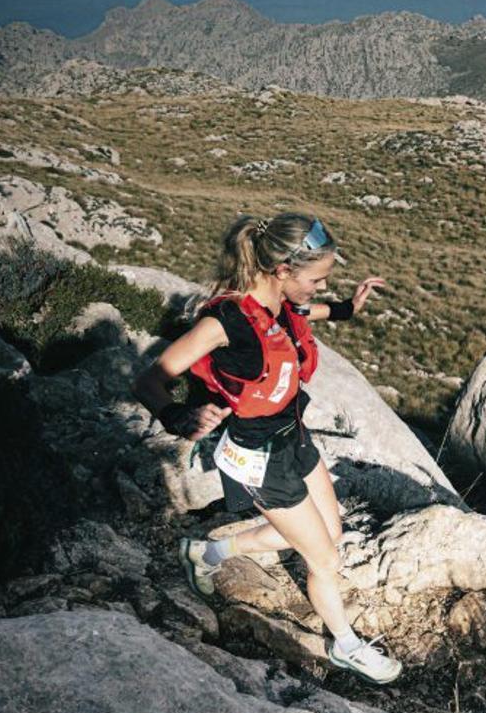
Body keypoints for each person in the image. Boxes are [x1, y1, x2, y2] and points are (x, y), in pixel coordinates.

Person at [133, 212, 402, 685]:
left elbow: (309, 313)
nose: (319, 288)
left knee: (329, 534)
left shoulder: (281, 302)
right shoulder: (226, 322)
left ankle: (210, 551)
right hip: (257, 455)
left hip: (293, 435)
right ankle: (345, 645)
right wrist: (178, 417)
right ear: (282, 270)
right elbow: (151, 379)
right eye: (316, 279)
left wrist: (348, 308)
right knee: (324, 559)